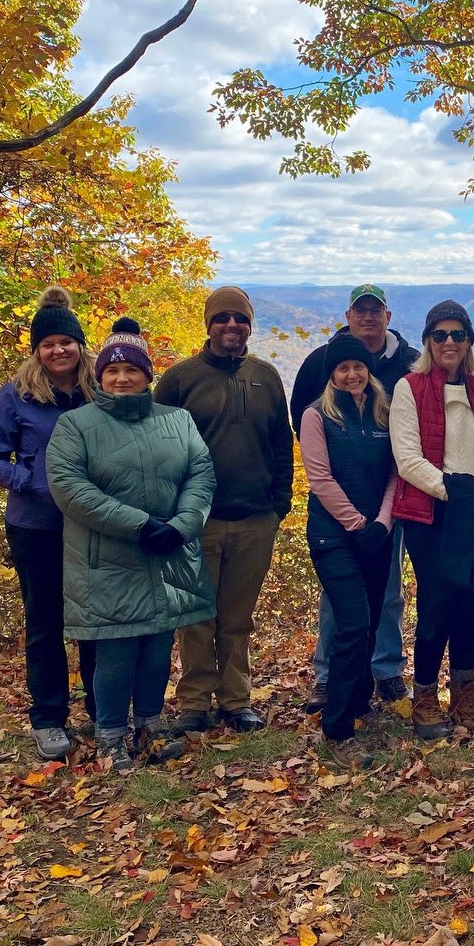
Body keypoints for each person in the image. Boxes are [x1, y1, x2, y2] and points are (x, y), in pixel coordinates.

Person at [46, 320, 216, 771]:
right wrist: (140, 525)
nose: (122, 378)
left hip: (168, 551)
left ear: (148, 375)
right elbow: (71, 489)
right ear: (99, 377)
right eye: (112, 371)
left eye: (132, 370)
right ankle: (110, 738)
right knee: (116, 647)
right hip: (108, 557)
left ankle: (151, 726)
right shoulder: (76, 425)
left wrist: (182, 525)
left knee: (158, 643)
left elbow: (201, 473)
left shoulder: (176, 420)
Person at [155, 287, 293, 734]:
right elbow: (159, 452)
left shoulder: (266, 377)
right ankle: (194, 702)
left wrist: (279, 505)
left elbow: (280, 444)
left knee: (237, 618)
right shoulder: (179, 379)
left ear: (250, 324)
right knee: (196, 615)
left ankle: (236, 700)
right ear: (208, 325)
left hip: (256, 518)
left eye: (240, 318)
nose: (231, 326)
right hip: (198, 520)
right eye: (222, 319)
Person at [0, 286, 98, 760]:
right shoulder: (18, 393)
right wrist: (32, 481)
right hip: (36, 525)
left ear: (78, 344)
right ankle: (48, 717)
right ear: (37, 350)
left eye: (65, 342)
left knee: (92, 621)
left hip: (90, 524)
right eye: (48, 344)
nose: (58, 350)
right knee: (45, 623)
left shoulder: (99, 388)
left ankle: (101, 711)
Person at [389, 301, 474, 739]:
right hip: (431, 514)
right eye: (439, 335)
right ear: (427, 340)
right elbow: (407, 458)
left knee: (469, 603)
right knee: (437, 605)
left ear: (469, 341)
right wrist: (457, 492)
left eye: (457, 335)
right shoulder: (411, 386)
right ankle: (424, 697)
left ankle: (462, 693)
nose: (449, 342)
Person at [292, 284, 418, 710]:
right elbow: (307, 434)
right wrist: (355, 521)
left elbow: (399, 458)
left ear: (387, 315)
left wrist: (382, 519)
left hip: (388, 509)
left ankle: (385, 670)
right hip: (338, 518)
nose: (368, 317)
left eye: (375, 310)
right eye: (360, 310)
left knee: (388, 591)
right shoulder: (318, 368)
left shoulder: (409, 363)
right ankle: (330, 677)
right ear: (348, 315)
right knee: (340, 597)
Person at [299, 334, 397, 770]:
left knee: (372, 620)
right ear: (332, 375)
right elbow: (319, 478)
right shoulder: (317, 416)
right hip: (332, 536)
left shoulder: (383, 410)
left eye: (359, 367)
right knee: (353, 622)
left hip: (377, 532)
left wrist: (382, 522)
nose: (353, 374)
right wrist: (357, 524)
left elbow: (396, 472)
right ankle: (337, 729)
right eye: (343, 369)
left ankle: (358, 702)